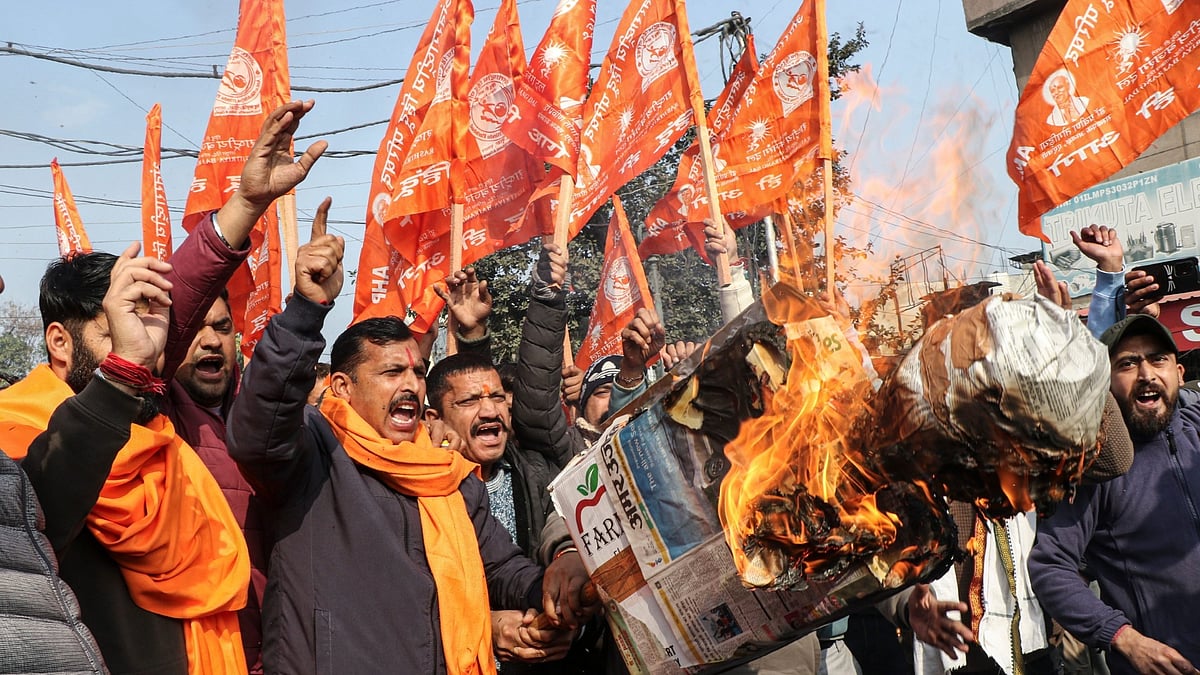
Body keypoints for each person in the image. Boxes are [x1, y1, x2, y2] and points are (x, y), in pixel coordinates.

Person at [0, 99, 324, 675]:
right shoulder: (16, 435)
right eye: (117, 329)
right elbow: (51, 499)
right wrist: (122, 371)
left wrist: (246, 205)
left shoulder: (157, 430)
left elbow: (180, 302)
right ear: (60, 341)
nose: (142, 347)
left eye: (148, 331)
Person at [227, 209, 594, 674]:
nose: (411, 385)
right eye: (391, 372)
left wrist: (555, 583)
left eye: (418, 373)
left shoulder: (446, 470)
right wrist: (304, 310)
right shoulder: (312, 453)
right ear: (341, 387)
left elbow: (501, 568)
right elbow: (258, 428)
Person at [1028, 314, 1200, 674]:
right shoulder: (1095, 469)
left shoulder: (1196, 432)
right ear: (1104, 384)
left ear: (1179, 373)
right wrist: (1123, 637)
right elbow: (1050, 567)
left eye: (1158, 359)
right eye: (1128, 364)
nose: (1146, 374)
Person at [425, 352, 579, 669]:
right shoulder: (421, 490)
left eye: (497, 397)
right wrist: (487, 627)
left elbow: (517, 564)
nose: (490, 410)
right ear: (434, 419)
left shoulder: (537, 473)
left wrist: (562, 603)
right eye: (469, 401)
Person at [162, 288, 269, 672]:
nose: (210, 341)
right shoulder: (156, 415)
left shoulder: (263, 414)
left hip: (273, 644)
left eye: (222, 327)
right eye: (194, 329)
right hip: (198, 648)